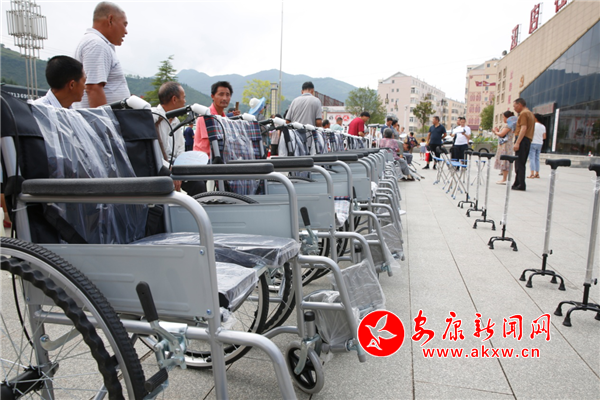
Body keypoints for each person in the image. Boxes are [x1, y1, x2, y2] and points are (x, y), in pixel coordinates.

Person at [73, 2, 130, 108]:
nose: (126, 31)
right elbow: (93, 89)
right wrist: (103, 118)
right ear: (110, 20)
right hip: (100, 118)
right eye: (124, 25)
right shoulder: (97, 44)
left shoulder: (97, 43)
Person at [193, 81, 238, 156]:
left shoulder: (225, 119)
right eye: (221, 94)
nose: (224, 98)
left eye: (228, 95)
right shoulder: (205, 116)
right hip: (204, 159)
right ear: (212, 96)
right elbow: (212, 143)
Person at [512, 98, 535, 191]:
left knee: (519, 164)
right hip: (527, 140)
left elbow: (523, 128)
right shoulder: (530, 113)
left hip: (522, 140)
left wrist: (517, 142)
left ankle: (520, 184)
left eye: (515, 106)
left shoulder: (524, 113)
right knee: (521, 163)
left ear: (520, 105)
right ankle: (517, 182)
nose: (514, 108)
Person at [493, 111, 516, 184]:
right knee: (504, 160)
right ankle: (504, 177)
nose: (503, 119)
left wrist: (495, 132)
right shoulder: (509, 125)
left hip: (506, 146)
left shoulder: (508, 125)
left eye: (503, 117)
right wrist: (498, 132)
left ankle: (504, 179)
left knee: (505, 161)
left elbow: (502, 134)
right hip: (505, 145)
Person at [529, 113, 546, 179]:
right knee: (537, 158)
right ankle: (537, 173)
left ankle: (532, 173)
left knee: (532, 158)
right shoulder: (543, 126)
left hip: (533, 142)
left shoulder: (532, 125)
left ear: (535, 118)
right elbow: (544, 137)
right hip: (540, 143)